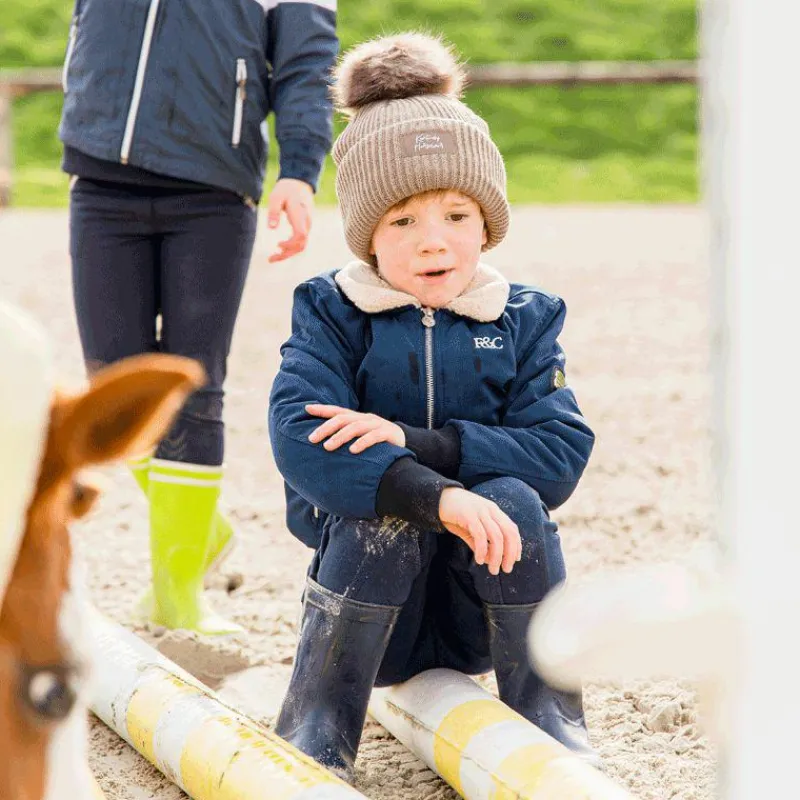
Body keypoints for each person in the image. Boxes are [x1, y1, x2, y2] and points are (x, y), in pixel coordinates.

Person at [268, 32, 598, 780]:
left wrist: (431, 447)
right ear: (367, 236)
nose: (434, 242)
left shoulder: (525, 316)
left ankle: (548, 713)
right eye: (403, 221)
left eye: (457, 215)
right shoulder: (330, 311)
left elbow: (560, 451)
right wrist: (433, 496)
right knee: (375, 509)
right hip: (373, 617)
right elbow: (300, 435)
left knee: (514, 497)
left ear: (487, 221)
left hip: (484, 607)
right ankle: (316, 724)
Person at [57, 0, 338, 635]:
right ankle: (199, 527)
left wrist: (298, 168)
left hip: (212, 191)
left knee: (191, 385)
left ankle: (176, 592)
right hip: (100, 178)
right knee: (114, 388)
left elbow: (306, 65)